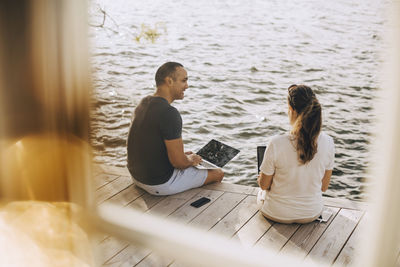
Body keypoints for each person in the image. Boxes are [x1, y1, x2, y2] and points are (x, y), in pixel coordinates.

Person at [127, 62, 224, 195]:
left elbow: (150, 146)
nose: (187, 86)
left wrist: (185, 157)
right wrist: (191, 160)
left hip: (137, 177)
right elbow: (179, 163)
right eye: (184, 81)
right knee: (217, 172)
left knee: (193, 161)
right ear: (169, 81)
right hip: (159, 183)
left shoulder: (143, 103)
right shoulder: (169, 113)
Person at [257, 84, 334, 224]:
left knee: (260, 193)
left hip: (276, 213)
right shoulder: (328, 142)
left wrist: (262, 178)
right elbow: (323, 187)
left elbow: (263, 185)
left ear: (291, 110)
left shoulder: (276, 143)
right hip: (312, 212)